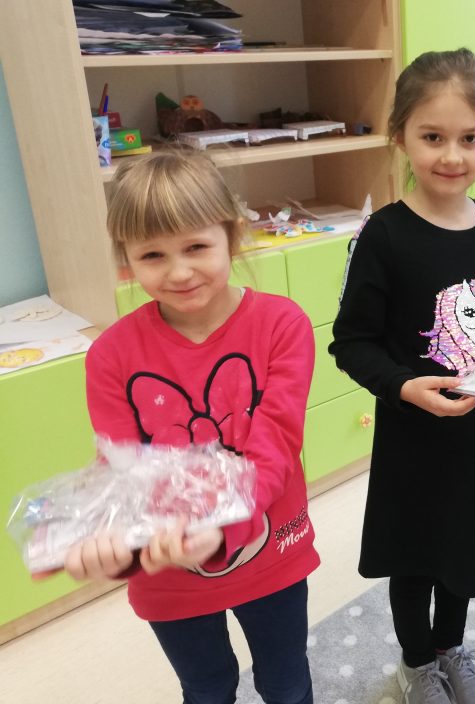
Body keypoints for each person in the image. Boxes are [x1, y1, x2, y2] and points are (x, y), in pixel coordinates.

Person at [64, 151, 319, 704]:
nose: (178, 272)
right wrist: (108, 535)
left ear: (231, 235)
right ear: (127, 257)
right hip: (170, 575)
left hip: (270, 552)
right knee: (205, 688)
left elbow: (275, 447)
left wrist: (222, 525)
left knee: (286, 682)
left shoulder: (282, 325)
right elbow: (121, 467)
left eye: (196, 247)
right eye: (152, 254)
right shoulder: (111, 354)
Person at [328, 48, 475, 704]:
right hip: (415, 439)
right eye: (433, 137)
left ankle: (450, 646)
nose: (452, 155)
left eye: (470, 138)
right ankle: (417, 662)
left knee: (463, 553)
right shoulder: (385, 236)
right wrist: (402, 386)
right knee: (416, 558)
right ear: (401, 138)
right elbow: (351, 342)